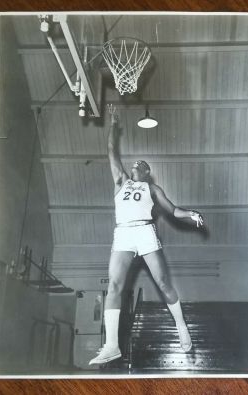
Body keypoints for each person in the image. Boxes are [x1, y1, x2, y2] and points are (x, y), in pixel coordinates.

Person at [89, 105, 204, 365]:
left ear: (147, 171)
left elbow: (173, 211)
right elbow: (110, 150)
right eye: (134, 163)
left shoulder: (152, 188)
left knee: (163, 283)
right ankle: (111, 346)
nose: (136, 164)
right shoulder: (120, 181)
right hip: (123, 234)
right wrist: (113, 124)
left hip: (144, 231)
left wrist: (191, 214)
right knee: (114, 285)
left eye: (141, 164)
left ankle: (182, 327)